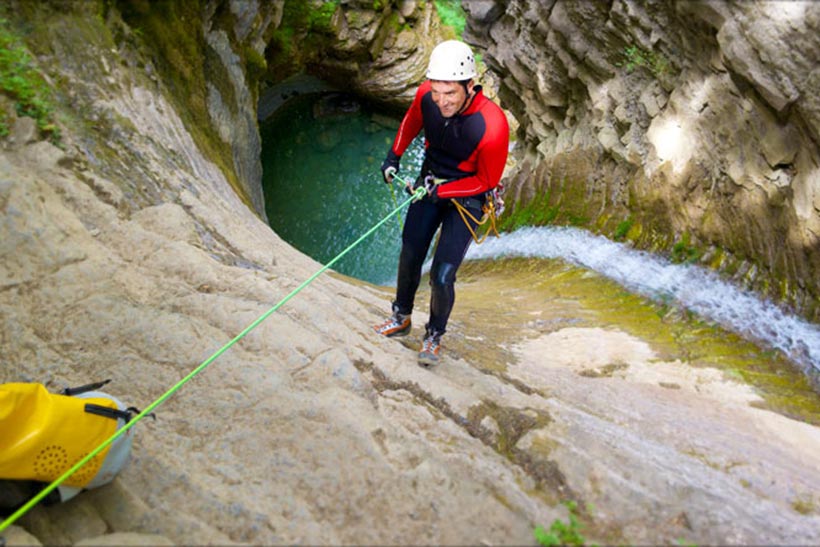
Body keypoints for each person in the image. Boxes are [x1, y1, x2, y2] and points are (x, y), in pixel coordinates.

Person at [373, 39, 509, 367]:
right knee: (410, 251)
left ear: (470, 86)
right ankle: (401, 316)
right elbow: (411, 122)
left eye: (450, 93)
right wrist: (394, 155)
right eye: (437, 91)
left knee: (443, 274)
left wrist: (442, 192)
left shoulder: (493, 127)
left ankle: (433, 335)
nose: (442, 101)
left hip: (469, 198)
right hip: (431, 181)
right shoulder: (426, 97)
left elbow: (486, 182)